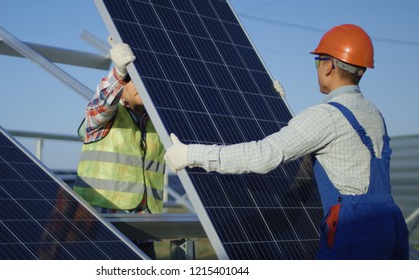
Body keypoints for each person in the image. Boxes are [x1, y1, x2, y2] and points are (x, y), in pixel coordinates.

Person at [164, 24, 409, 260]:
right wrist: (272, 104)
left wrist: (191, 154)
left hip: (354, 230)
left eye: (318, 60)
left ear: (329, 66)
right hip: (390, 224)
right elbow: (335, 153)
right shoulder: (373, 114)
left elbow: (263, 155)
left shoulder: (326, 116)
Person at [72, 38, 166, 259]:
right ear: (122, 87)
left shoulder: (160, 124)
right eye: (134, 79)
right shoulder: (103, 119)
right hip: (99, 229)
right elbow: (100, 105)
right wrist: (119, 73)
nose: (141, 84)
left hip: (144, 230)